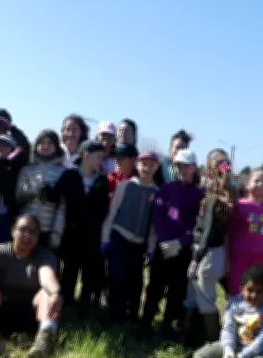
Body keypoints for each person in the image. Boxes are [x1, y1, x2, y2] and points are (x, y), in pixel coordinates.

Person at [0, 214, 63, 358]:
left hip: (30, 313)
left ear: (39, 236)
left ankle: (44, 341)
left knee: (48, 293)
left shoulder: (45, 255)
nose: (27, 235)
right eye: (23, 229)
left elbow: (47, 277)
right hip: (0, 311)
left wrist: (56, 293)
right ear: (13, 230)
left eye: (33, 232)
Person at [142, 149, 204, 338]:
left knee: (177, 289)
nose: (181, 170)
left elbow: (198, 224)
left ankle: (167, 326)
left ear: (194, 167)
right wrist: (163, 240)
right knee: (155, 286)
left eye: (186, 166)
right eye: (178, 166)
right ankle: (145, 324)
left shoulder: (200, 194)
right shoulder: (167, 188)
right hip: (163, 247)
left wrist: (181, 241)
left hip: (183, 250)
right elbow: (158, 215)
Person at [48, 139, 110, 315]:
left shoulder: (102, 181)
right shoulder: (70, 175)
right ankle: (66, 306)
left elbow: (103, 208)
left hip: (92, 235)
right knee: (69, 271)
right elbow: (54, 195)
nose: (101, 161)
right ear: (86, 155)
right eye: (98, 157)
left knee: (89, 273)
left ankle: (84, 308)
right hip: (71, 233)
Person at [192, 264, 263, 358]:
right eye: (250, 290)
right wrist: (228, 351)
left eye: (259, 292)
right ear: (242, 289)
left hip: (258, 351)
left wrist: (241, 357)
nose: (253, 295)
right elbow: (228, 328)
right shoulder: (234, 303)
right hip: (234, 345)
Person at [101, 150, 160, 325]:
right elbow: (113, 212)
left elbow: (153, 225)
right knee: (117, 276)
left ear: (156, 167)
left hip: (138, 242)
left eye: (151, 165)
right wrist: (105, 238)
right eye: (143, 163)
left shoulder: (156, 192)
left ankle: (132, 316)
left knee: (135, 280)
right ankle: (114, 315)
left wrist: (150, 248)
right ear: (137, 164)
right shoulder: (126, 186)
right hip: (120, 235)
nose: (147, 168)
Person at [185, 159, 236, 346]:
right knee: (195, 295)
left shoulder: (213, 200)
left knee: (204, 298)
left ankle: (213, 340)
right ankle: (190, 337)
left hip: (208, 254)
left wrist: (195, 259)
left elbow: (206, 232)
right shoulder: (227, 198)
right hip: (218, 252)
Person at [227, 168, 263, 296]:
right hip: (240, 254)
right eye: (256, 180)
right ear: (247, 184)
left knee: (257, 290)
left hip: (262, 255)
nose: (260, 184)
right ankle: (234, 314)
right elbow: (230, 231)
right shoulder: (239, 205)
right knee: (237, 288)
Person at [15, 129, 67, 246]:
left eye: (50, 143)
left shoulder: (63, 172)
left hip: (48, 228)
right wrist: (34, 191)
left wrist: (56, 232)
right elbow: (18, 198)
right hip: (26, 227)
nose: (45, 146)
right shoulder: (26, 169)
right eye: (41, 142)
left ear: (56, 146)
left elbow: (63, 206)